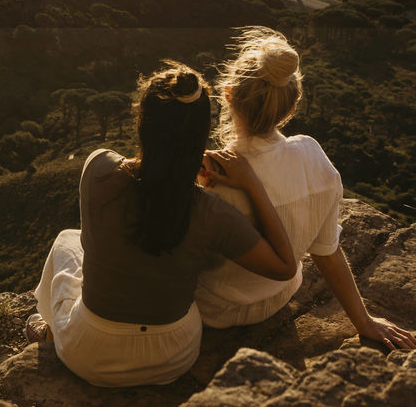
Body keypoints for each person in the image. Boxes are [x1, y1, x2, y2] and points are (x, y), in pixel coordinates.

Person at [27, 62, 300, 387]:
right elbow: (285, 267)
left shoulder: (98, 170)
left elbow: (130, 190)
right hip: (172, 358)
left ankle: (48, 329)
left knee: (67, 241)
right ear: (200, 135)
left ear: (143, 123)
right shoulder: (212, 213)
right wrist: (252, 184)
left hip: (88, 354)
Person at [193, 27, 416, 351]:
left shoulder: (212, 177)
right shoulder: (314, 158)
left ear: (227, 95)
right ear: (291, 106)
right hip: (277, 298)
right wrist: (364, 322)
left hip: (213, 311)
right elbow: (327, 251)